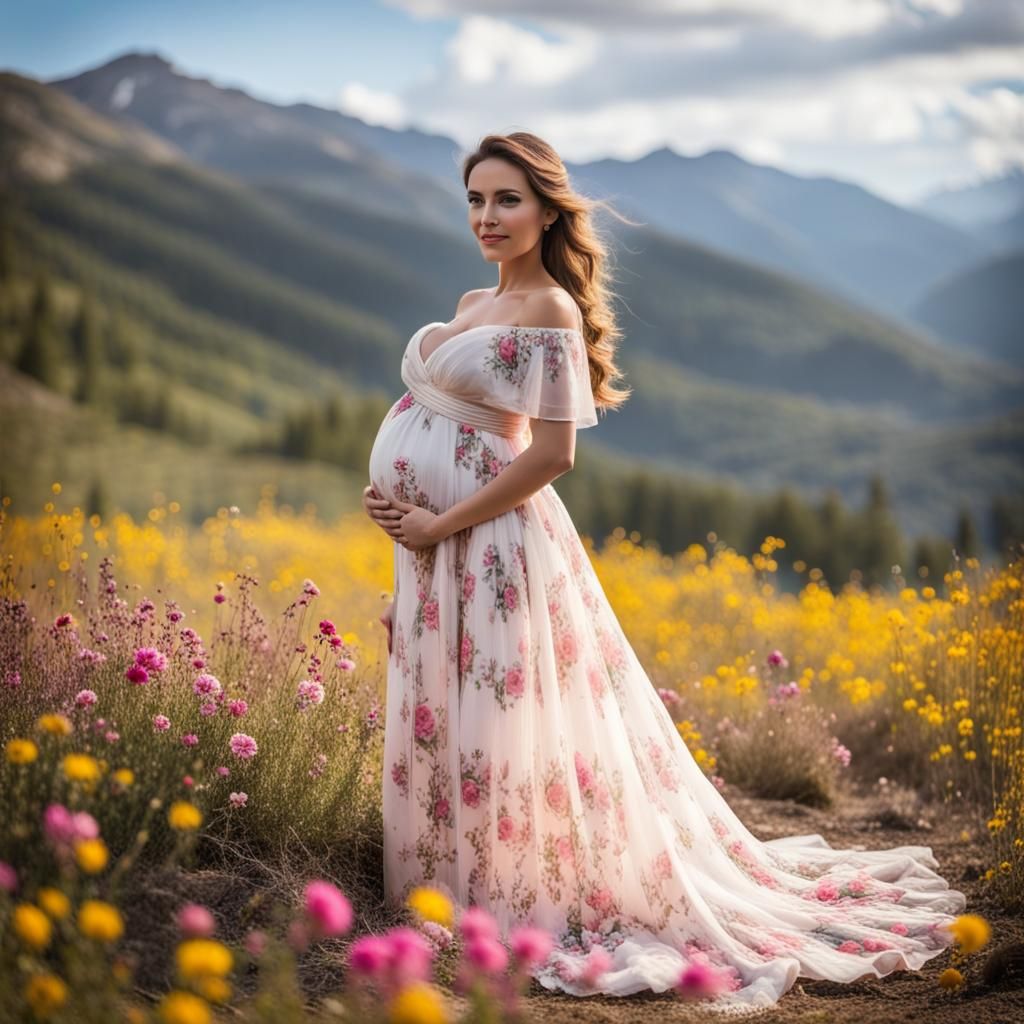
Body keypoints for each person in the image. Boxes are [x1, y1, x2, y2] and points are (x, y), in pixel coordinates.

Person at [361, 131, 966, 1011]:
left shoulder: (551, 313)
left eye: (507, 200)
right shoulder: (468, 299)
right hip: (431, 552)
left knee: (498, 721)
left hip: (491, 546)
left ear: (546, 210)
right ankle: (448, 891)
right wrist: (403, 544)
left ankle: (516, 894)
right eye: (476, 200)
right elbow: (441, 432)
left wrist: (439, 520)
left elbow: (554, 455)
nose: (488, 218)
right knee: (447, 717)